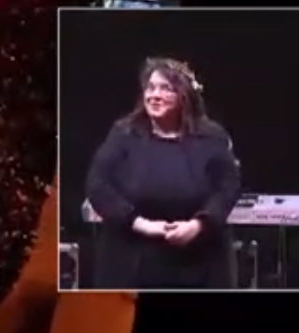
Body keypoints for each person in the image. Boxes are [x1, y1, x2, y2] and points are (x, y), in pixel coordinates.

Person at [84, 57, 241, 290]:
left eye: (166, 89)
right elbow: (98, 184)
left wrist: (199, 224)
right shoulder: (124, 133)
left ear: (184, 96)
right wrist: (141, 224)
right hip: (133, 261)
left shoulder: (211, 136)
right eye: (150, 88)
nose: (154, 95)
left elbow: (228, 186)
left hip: (200, 262)